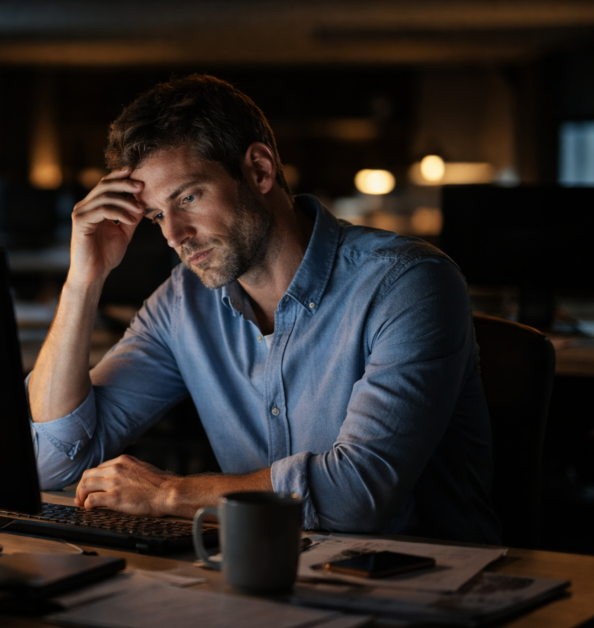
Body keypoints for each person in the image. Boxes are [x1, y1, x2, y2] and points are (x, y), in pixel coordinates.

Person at [26, 74, 500, 544]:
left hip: (424, 589)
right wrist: (83, 279)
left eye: (187, 198)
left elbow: (356, 497)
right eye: (156, 215)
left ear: (259, 170)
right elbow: (52, 460)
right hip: (265, 575)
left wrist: (170, 494)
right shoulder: (183, 303)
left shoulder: (407, 283)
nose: (174, 235)